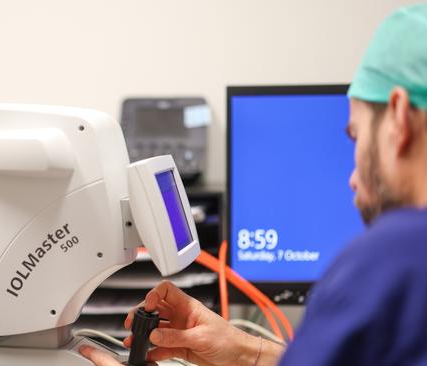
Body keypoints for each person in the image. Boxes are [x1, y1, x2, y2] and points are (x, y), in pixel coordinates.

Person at [81, 4, 427, 366]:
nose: (352, 178)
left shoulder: (394, 258)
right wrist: (247, 350)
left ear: (399, 118)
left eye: (357, 138)